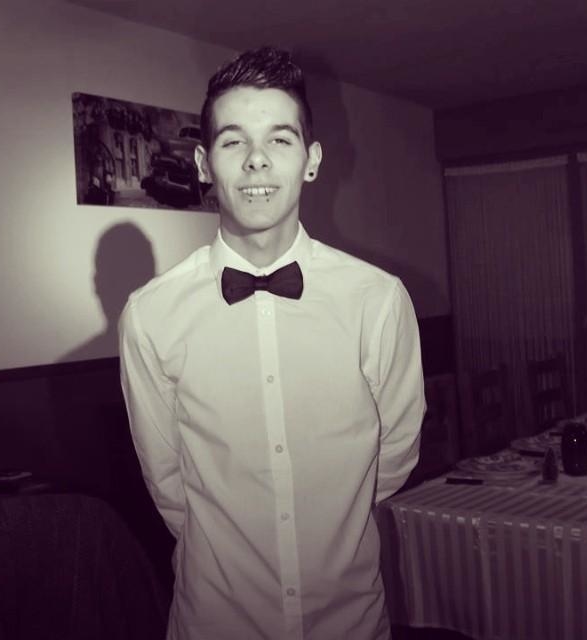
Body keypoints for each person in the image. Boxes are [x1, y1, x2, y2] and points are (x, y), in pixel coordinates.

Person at [119, 46, 425, 640]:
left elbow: (394, 457)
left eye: (279, 140)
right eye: (233, 141)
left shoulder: (379, 300)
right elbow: (167, 483)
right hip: (215, 622)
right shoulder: (149, 315)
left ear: (311, 160)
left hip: (350, 623)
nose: (256, 160)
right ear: (204, 164)